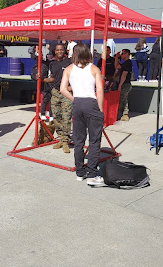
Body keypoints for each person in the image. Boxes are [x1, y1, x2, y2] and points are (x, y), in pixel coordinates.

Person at [60, 43, 105, 187]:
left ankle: (80, 172)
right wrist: (100, 109)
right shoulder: (94, 69)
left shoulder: (68, 69)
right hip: (91, 103)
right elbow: (100, 90)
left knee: (78, 141)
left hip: (77, 103)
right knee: (94, 140)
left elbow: (62, 89)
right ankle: (92, 174)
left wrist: (75, 99)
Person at [42, 43, 72, 153]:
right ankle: (60, 138)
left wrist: (71, 87)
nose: (59, 51)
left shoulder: (70, 62)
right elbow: (53, 78)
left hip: (66, 94)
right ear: (55, 51)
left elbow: (76, 77)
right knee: (56, 116)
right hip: (55, 93)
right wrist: (42, 79)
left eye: (61, 50)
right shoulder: (52, 64)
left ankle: (65, 141)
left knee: (66, 117)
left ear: (64, 51)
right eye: (57, 50)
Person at [116, 49, 133, 121]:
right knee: (122, 98)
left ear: (127, 54)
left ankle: (125, 114)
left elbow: (124, 75)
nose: (121, 55)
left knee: (123, 98)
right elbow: (117, 66)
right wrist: (117, 58)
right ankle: (122, 113)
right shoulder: (124, 63)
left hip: (125, 83)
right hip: (123, 83)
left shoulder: (128, 63)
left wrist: (120, 85)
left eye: (123, 54)